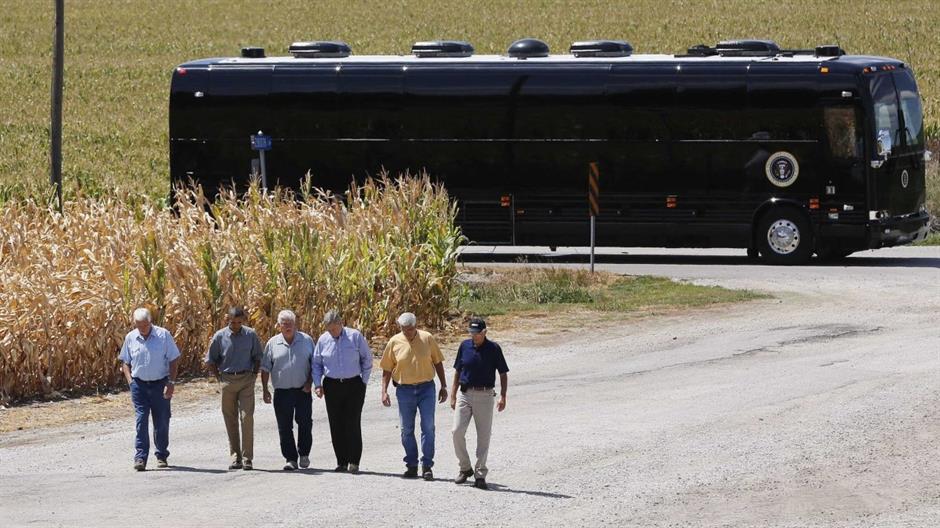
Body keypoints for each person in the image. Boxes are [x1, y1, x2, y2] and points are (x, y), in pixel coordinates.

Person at [379, 312, 448, 481]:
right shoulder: (394, 341)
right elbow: (387, 368)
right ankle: (411, 465)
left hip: (426, 389)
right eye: (404, 330)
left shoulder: (427, 338)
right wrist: (384, 391)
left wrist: (444, 386)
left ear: (416, 326)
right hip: (404, 390)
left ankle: (427, 466)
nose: (408, 333)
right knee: (406, 429)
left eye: (410, 329)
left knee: (428, 427)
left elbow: (438, 362)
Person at [449, 317, 509, 490]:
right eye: (471, 333)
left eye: (477, 333)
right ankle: (465, 467)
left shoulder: (494, 349)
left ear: (484, 332)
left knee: (483, 436)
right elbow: (457, 371)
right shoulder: (464, 346)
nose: (474, 336)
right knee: (456, 431)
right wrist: (453, 394)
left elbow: (503, 373)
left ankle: (480, 474)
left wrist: (503, 396)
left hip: (485, 395)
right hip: (465, 394)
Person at [118, 308, 180, 472]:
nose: (142, 328)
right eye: (139, 325)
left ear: (150, 322)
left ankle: (161, 455)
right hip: (139, 385)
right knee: (141, 421)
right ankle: (140, 457)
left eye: (145, 325)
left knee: (161, 421)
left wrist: (171, 382)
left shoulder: (163, 335)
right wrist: (130, 382)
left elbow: (174, 359)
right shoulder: (131, 337)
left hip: (160, 384)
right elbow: (125, 361)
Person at [312, 310, 373, 474]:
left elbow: (367, 359)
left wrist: (363, 381)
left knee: (352, 422)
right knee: (336, 423)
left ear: (341, 324)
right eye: (329, 329)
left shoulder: (355, 336)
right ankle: (341, 461)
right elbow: (317, 363)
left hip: (354, 384)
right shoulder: (323, 340)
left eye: (334, 329)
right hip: (332, 385)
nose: (331, 332)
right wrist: (318, 384)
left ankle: (354, 461)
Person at [205, 306, 263, 470]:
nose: (236, 325)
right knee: (230, 419)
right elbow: (211, 360)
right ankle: (235, 457)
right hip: (227, 380)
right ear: (227, 320)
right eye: (233, 322)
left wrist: (253, 375)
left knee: (247, 418)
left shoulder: (250, 334)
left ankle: (247, 458)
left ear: (243, 320)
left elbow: (258, 356)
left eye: (239, 322)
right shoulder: (219, 336)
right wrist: (219, 378)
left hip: (246, 380)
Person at [261, 310, 314, 471]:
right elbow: (265, 368)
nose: (288, 326)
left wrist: (310, 382)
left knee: (305, 423)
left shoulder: (306, 341)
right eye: (284, 324)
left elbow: (315, 364)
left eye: (290, 323)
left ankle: (304, 454)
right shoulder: (272, 344)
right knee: (284, 426)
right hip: (282, 392)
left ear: (295, 324)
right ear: (279, 326)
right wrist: (265, 389)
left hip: (302, 390)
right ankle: (291, 458)